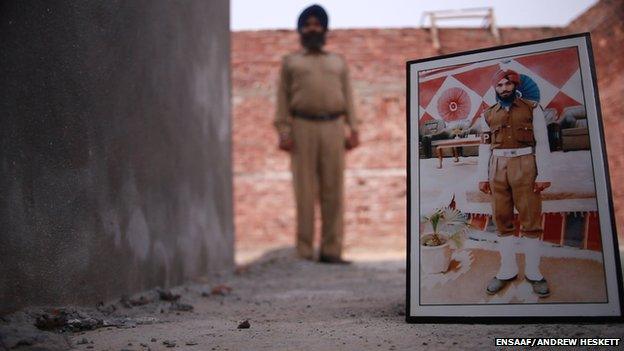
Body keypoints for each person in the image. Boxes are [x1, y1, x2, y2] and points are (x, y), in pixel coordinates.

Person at [273, 4, 360, 264]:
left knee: (334, 190)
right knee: (304, 192)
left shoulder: (337, 62)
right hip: (302, 128)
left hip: (334, 127)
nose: (312, 28)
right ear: (301, 30)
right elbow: (282, 98)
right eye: (307, 24)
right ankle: (303, 252)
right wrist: (283, 130)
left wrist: (353, 127)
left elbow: (349, 96)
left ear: (324, 28)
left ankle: (332, 250)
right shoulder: (291, 62)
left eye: (317, 24)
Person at [476, 68, 552, 297]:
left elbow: (542, 142)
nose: (504, 89)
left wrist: (545, 173)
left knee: (530, 218)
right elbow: (483, 147)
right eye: (499, 86)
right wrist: (482, 176)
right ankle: (507, 269)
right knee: (502, 218)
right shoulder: (487, 115)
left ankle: (533, 272)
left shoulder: (532, 108)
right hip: (498, 168)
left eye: (508, 84)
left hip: (525, 164)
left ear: (515, 85)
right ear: (495, 89)